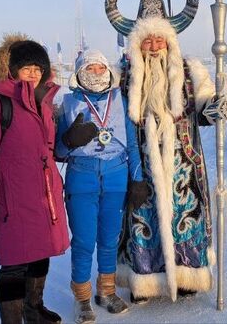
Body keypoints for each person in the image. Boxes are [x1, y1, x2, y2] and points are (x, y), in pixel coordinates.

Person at [104, 0, 227, 303]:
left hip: (184, 163)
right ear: (137, 44)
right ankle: (144, 280)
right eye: (148, 41)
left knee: (184, 213)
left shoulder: (190, 70)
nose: (155, 45)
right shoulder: (123, 74)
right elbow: (103, 106)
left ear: (170, 43)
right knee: (142, 219)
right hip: (139, 162)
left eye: (160, 40)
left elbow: (205, 107)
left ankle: (189, 276)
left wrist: (215, 107)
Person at [0, 33, 69, 323]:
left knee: (40, 254)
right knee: (13, 265)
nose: (33, 75)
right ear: (11, 71)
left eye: (38, 69)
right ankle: (12, 318)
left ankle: (33, 309)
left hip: (44, 198)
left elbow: (48, 151)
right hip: (12, 201)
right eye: (27, 69)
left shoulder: (43, 105)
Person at [54, 50, 146, 323]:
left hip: (116, 177)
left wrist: (138, 180)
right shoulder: (68, 103)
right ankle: (82, 298)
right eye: (89, 68)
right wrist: (69, 139)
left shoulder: (121, 99)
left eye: (99, 68)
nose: (95, 73)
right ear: (79, 72)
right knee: (83, 242)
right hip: (81, 178)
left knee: (109, 240)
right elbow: (58, 149)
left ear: (108, 71)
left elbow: (132, 145)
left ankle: (106, 291)